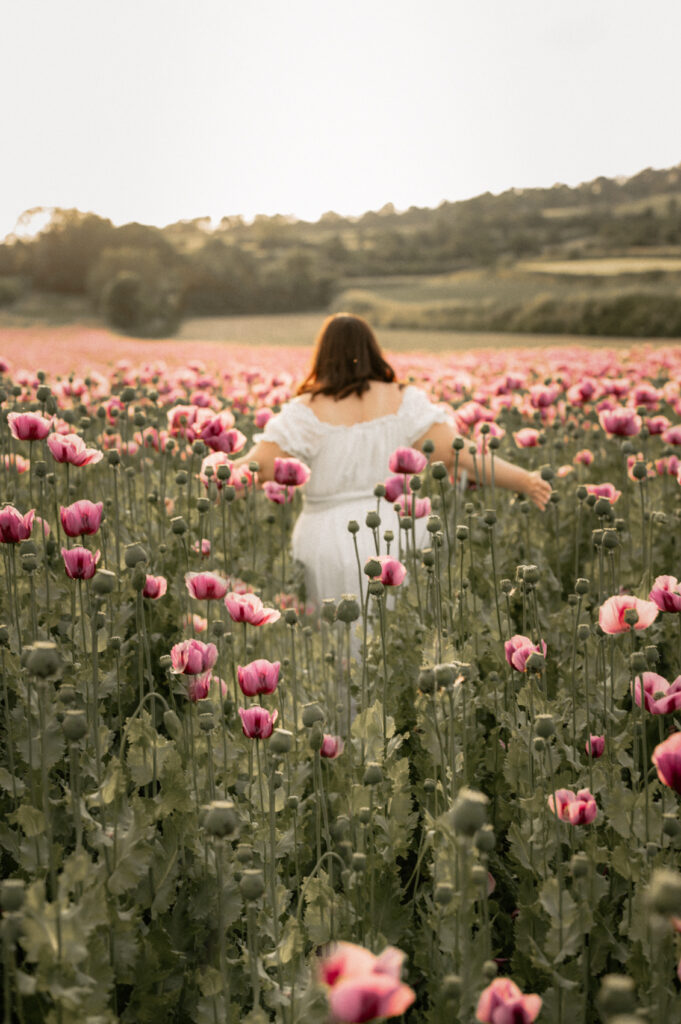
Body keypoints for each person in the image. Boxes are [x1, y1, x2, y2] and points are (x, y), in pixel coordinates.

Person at [231, 313, 551, 608]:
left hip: (326, 538)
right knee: (397, 639)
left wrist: (217, 479)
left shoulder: (305, 411)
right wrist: (525, 480)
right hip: (400, 532)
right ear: (372, 350)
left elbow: (253, 469)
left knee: (336, 642)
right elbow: (462, 454)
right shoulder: (403, 401)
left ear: (323, 354)